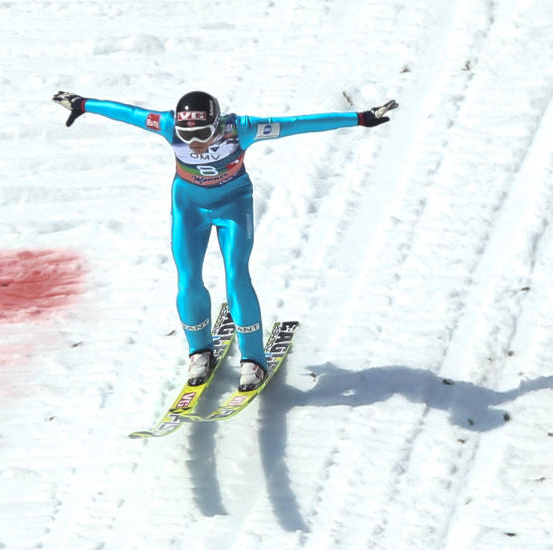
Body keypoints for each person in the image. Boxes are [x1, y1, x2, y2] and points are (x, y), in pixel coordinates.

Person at [52, 90, 397, 391]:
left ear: (217, 125)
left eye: (202, 133)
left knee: (236, 276)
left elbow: (298, 124)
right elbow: (127, 113)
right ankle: (199, 351)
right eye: (187, 135)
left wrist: (360, 118)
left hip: (233, 205)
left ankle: (253, 359)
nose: (194, 142)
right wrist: (82, 104)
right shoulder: (168, 125)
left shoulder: (241, 129)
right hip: (189, 208)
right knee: (188, 280)